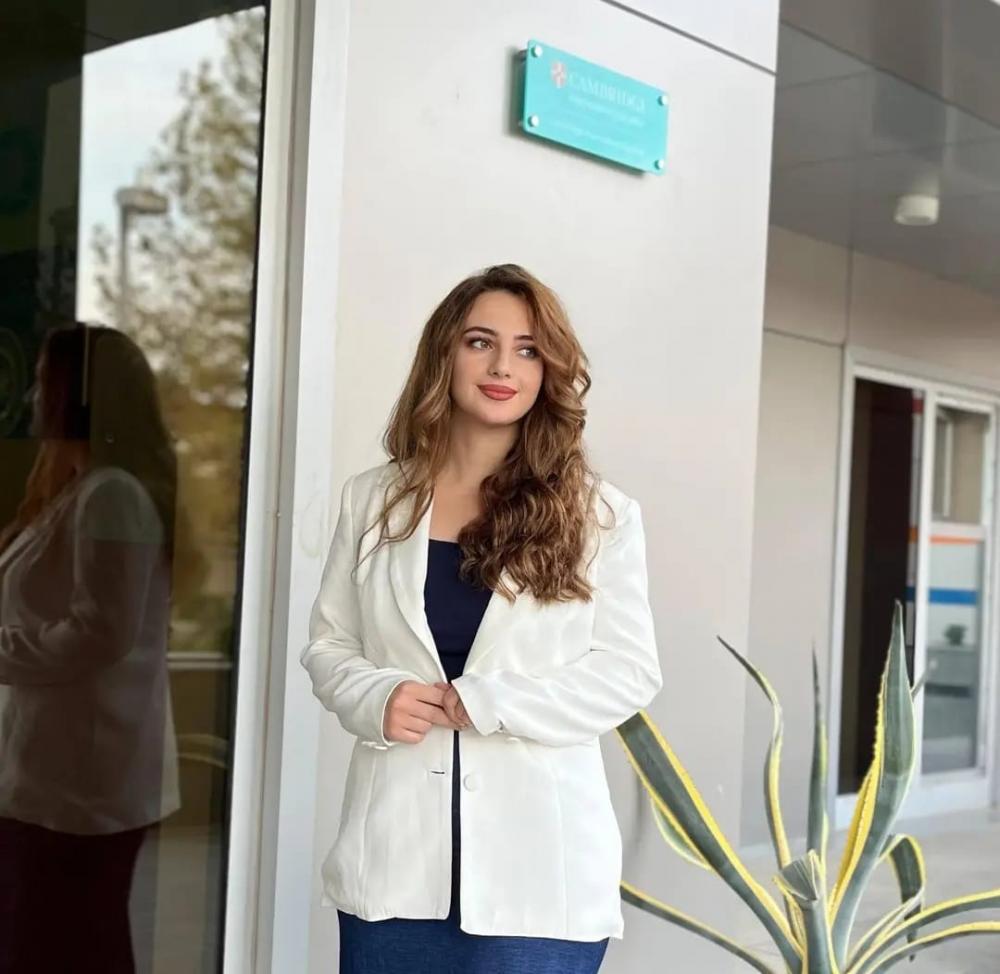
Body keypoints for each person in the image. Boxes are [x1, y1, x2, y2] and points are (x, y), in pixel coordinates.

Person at [300, 263, 663, 974]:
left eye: (528, 349)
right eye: (480, 342)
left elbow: (629, 672)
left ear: (549, 371)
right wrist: (376, 697)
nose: (503, 367)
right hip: (394, 870)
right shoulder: (371, 499)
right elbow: (330, 644)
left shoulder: (599, 515)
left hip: (539, 881)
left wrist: (493, 702)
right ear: (445, 353)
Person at [0, 323, 180, 973]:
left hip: (78, 790)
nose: (31, 397)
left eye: (41, 382)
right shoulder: (82, 491)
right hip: (58, 779)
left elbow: (99, 633)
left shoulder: (112, 495)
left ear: (73, 394)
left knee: (65, 945)